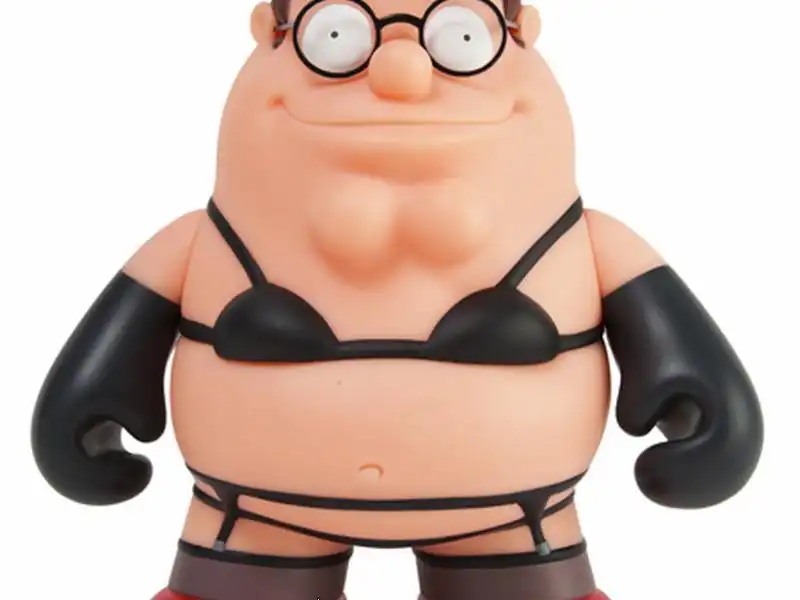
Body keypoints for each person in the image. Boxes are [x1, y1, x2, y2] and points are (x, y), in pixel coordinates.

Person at [30, 1, 764, 599]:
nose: (402, 71)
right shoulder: (207, 238)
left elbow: (677, 348)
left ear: (521, 35)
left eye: (460, 39)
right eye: (338, 37)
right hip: (253, 513)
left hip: (512, 518)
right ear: (270, 32)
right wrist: (81, 415)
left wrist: (714, 423)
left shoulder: (585, 239)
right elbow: (115, 346)